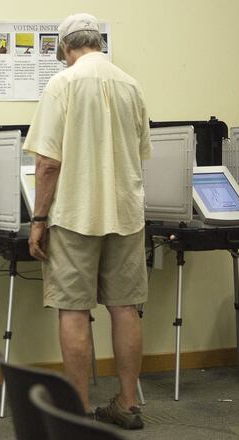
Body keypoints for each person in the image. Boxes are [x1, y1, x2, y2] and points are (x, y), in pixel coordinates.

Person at [22, 13, 152, 430]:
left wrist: (38, 219)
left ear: (65, 48)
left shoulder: (62, 84)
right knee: (125, 307)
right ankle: (128, 403)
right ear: (99, 42)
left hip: (74, 215)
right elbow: (141, 152)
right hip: (126, 214)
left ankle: (76, 410)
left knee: (74, 311)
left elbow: (46, 164)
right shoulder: (131, 85)